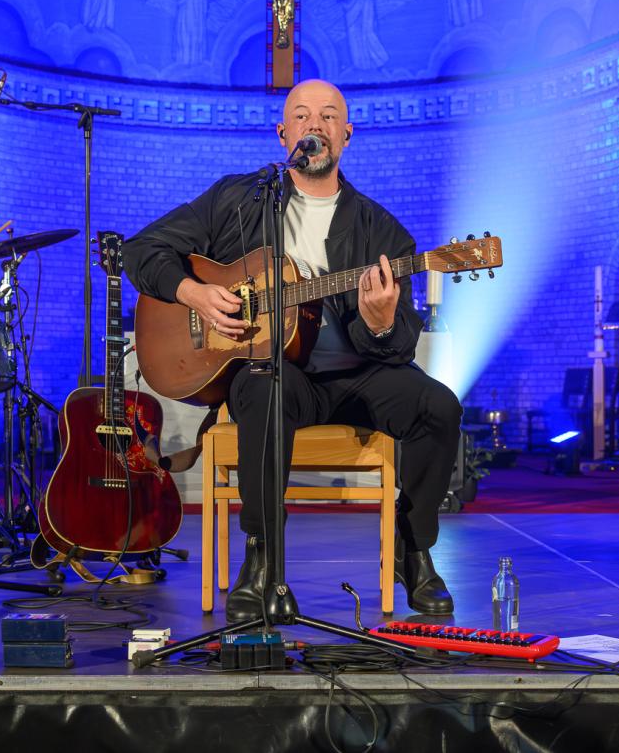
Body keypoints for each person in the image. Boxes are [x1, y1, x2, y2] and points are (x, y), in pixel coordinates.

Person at [124, 80, 463, 618]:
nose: (315, 125)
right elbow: (141, 250)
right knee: (264, 384)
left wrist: (378, 325)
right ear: (283, 134)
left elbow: (399, 343)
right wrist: (193, 292)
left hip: (356, 377)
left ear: (347, 135)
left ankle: (413, 547)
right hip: (276, 373)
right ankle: (262, 559)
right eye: (302, 115)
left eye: (329, 116)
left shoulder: (383, 232)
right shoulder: (239, 201)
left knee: (439, 406)